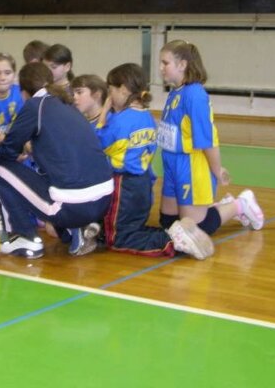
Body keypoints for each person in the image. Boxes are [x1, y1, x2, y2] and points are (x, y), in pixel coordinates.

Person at [0, 63, 113, 259]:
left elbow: (7, 152)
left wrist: (6, 145)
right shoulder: (67, 104)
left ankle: (23, 237)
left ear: (24, 92)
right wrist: (29, 149)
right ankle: (76, 230)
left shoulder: (35, 105)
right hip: (103, 201)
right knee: (51, 175)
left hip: (73, 205)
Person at [97, 63, 214, 259]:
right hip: (143, 182)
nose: (110, 97)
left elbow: (97, 142)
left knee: (118, 239)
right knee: (133, 228)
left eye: (111, 91)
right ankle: (177, 233)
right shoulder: (147, 117)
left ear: (123, 89)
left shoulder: (119, 121)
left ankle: (173, 241)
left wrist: (103, 115)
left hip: (124, 185)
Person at [157, 40, 265, 240]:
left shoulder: (195, 95)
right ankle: (213, 208)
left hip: (191, 165)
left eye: (165, 63)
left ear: (182, 65)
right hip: (172, 163)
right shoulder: (176, 92)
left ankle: (240, 205)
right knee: (168, 223)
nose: (160, 68)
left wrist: (217, 171)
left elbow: (206, 140)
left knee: (195, 229)